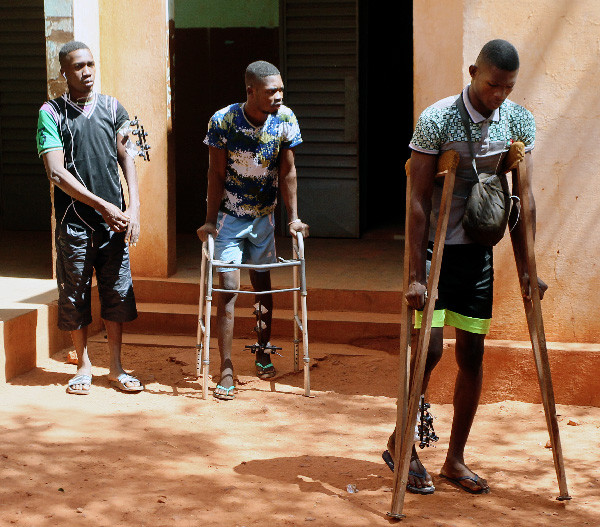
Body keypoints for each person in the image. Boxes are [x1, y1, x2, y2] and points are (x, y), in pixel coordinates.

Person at [383, 39, 547, 494]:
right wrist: (415, 275)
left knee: (472, 354)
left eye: (508, 88)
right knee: (430, 351)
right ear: (474, 71)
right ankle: (403, 442)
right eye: (493, 84)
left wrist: (529, 268)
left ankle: (454, 459)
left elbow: (523, 199)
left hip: (476, 255)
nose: (499, 95)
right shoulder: (437, 119)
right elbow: (417, 199)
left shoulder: (517, 121)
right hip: (435, 252)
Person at [196, 60, 309, 401]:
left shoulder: (285, 119)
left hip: (264, 218)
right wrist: (211, 221)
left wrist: (293, 219)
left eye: (281, 90)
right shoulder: (224, 121)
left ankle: (262, 351)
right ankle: (226, 367)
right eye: (271, 90)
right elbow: (215, 175)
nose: (279, 95)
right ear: (251, 91)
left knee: (263, 287)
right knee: (228, 285)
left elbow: (287, 172)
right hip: (231, 217)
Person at [36, 41, 143, 395]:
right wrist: (103, 206)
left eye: (91, 64)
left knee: (117, 294)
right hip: (74, 223)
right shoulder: (50, 113)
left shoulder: (114, 108)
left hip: (114, 224)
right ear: (64, 73)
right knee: (74, 295)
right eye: (78, 66)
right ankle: (83, 366)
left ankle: (116, 367)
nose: (86, 72)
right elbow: (56, 173)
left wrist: (134, 208)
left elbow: (127, 156)